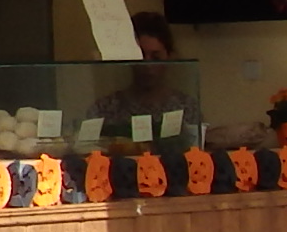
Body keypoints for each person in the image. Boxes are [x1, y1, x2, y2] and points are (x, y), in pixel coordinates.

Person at [86, 13, 207, 142]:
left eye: (156, 57)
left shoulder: (186, 107)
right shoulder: (105, 109)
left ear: (170, 57)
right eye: (140, 56)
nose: (147, 65)